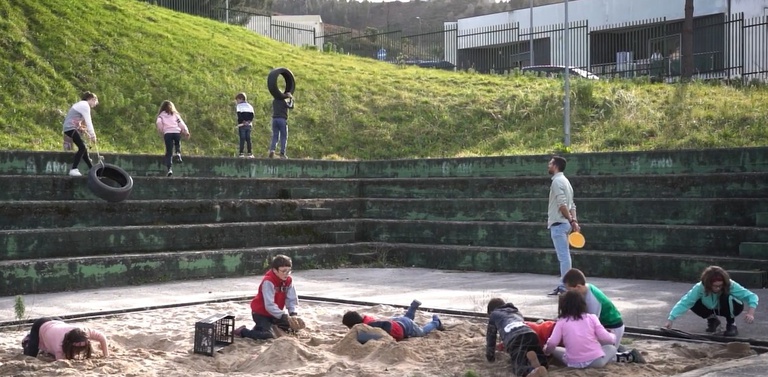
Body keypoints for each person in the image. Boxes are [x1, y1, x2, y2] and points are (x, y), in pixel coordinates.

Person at [665, 265, 758, 337]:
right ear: (708, 284)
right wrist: (671, 319)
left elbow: (751, 296)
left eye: (720, 286)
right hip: (711, 307)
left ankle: (731, 324)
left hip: (731, 306)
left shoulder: (730, 284)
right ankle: (712, 319)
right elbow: (685, 302)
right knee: (692, 301)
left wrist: (750, 312)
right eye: (715, 286)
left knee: (726, 296)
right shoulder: (699, 287)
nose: (718, 288)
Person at [544, 291, 617, 369]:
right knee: (611, 348)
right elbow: (606, 339)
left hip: (573, 363)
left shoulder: (561, 321)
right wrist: (613, 336)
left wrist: (546, 351)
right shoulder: (592, 318)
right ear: (583, 304)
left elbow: (552, 342)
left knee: (556, 349)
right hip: (595, 362)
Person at [234, 254, 300, 340]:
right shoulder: (268, 281)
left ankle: (261, 327)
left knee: (293, 330)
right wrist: (283, 316)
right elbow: (269, 305)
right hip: (261, 314)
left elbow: (291, 299)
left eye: (289, 271)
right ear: (275, 270)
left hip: (275, 314)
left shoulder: (289, 280)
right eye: (283, 271)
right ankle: (242, 331)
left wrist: (293, 314)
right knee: (267, 335)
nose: (287, 274)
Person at [485, 298, 548, 377]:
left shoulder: (494, 314)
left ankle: (532, 372)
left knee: (519, 367)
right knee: (538, 356)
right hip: (531, 334)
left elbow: (491, 337)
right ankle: (540, 365)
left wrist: (490, 356)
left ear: (491, 312)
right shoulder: (517, 312)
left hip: (515, 338)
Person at [547, 156, 580, 295]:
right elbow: (571, 204)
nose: (548, 166)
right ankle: (566, 285)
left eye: (550, 163)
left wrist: (572, 220)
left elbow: (562, 205)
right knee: (565, 256)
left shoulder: (556, 181)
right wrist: (574, 221)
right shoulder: (566, 182)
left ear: (555, 166)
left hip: (559, 223)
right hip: (565, 223)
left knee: (564, 257)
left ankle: (565, 286)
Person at [342, 299, 444, 343]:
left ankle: (436, 322)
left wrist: (386, 336)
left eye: (349, 327)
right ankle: (413, 307)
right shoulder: (366, 321)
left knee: (422, 332)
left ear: (354, 324)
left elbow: (386, 325)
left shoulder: (370, 324)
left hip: (404, 328)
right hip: (398, 321)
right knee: (407, 318)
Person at [22, 317, 109, 360]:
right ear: (68, 343)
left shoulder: (85, 332)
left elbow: (102, 338)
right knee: (31, 354)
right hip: (40, 324)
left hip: (58, 321)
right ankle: (27, 340)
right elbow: (61, 361)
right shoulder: (59, 347)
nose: (78, 351)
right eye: (76, 348)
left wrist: (106, 355)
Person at [62, 92, 99, 177]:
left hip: (70, 128)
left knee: (84, 150)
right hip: (70, 128)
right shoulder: (85, 105)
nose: (95, 104)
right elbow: (89, 121)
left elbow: (75, 119)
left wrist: (80, 127)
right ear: (92, 99)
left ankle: (92, 169)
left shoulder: (81, 104)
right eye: (95, 102)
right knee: (82, 147)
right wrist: (93, 135)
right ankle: (73, 169)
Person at [156, 100, 190, 177]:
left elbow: (158, 122)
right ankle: (178, 153)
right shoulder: (175, 115)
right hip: (176, 132)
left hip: (168, 133)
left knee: (169, 152)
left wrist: (162, 130)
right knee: (177, 143)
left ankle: (169, 169)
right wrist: (186, 131)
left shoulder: (161, 116)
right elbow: (181, 123)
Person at [269, 92, 293, 159]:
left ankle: (272, 150)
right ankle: (282, 153)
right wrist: (291, 98)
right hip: (282, 119)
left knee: (275, 136)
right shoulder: (283, 102)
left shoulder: (274, 101)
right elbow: (291, 106)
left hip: (274, 119)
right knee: (283, 136)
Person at [235, 92, 255, 158]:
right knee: (248, 139)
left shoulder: (239, 106)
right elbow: (252, 115)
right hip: (249, 125)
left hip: (242, 125)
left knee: (242, 138)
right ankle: (250, 153)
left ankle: (241, 153)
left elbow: (239, 115)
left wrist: (243, 121)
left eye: (237, 100)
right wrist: (248, 121)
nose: (237, 102)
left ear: (241, 99)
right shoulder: (250, 106)